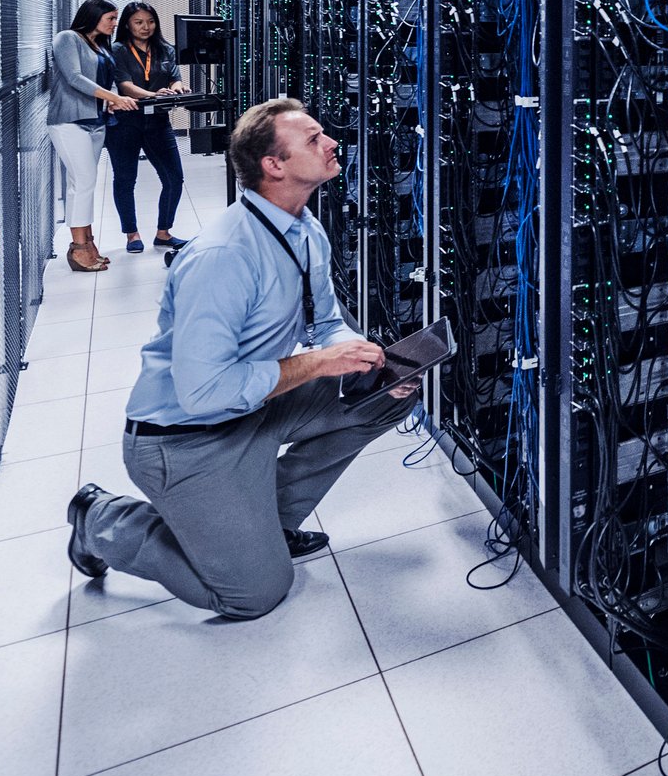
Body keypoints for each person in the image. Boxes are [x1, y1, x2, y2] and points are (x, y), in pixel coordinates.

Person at [64, 97, 417, 621]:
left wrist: (364, 360)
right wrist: (322, 363)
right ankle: (104, 519)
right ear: (274, 165)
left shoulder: (303, 228)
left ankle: (268, 525)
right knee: (253, 595)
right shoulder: (223, 257)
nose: (331, 142)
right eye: (314, 139)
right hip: (185, 439)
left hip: (253, 407)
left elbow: (326, 322)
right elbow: (204, 393)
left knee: (382, 399)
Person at [47, 0, 138, 272]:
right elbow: (74, 77)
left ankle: (87, 243)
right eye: (110, 18)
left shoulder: (100, 45)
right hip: (69, 121)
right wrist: (113, 97)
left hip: (96, 122)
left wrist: (111, 100)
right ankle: (78, 248)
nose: (115, 23)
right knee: (83, 182)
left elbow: (105, 80)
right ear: (93, 16)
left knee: (83, 183)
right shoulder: (67, 38)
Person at [108, 0, 191, 254]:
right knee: (125, 179)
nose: (146, 27)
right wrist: (153, 95)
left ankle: (163, 233)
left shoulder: (165, 49)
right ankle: (131, 234)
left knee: (174, 178)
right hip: (125, 122)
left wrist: (178, 87)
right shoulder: (118, 50)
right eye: (139, 22)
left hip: (157, 121)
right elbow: (124, 85)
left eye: (151, 21)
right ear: (127, 25)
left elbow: (174, 77)